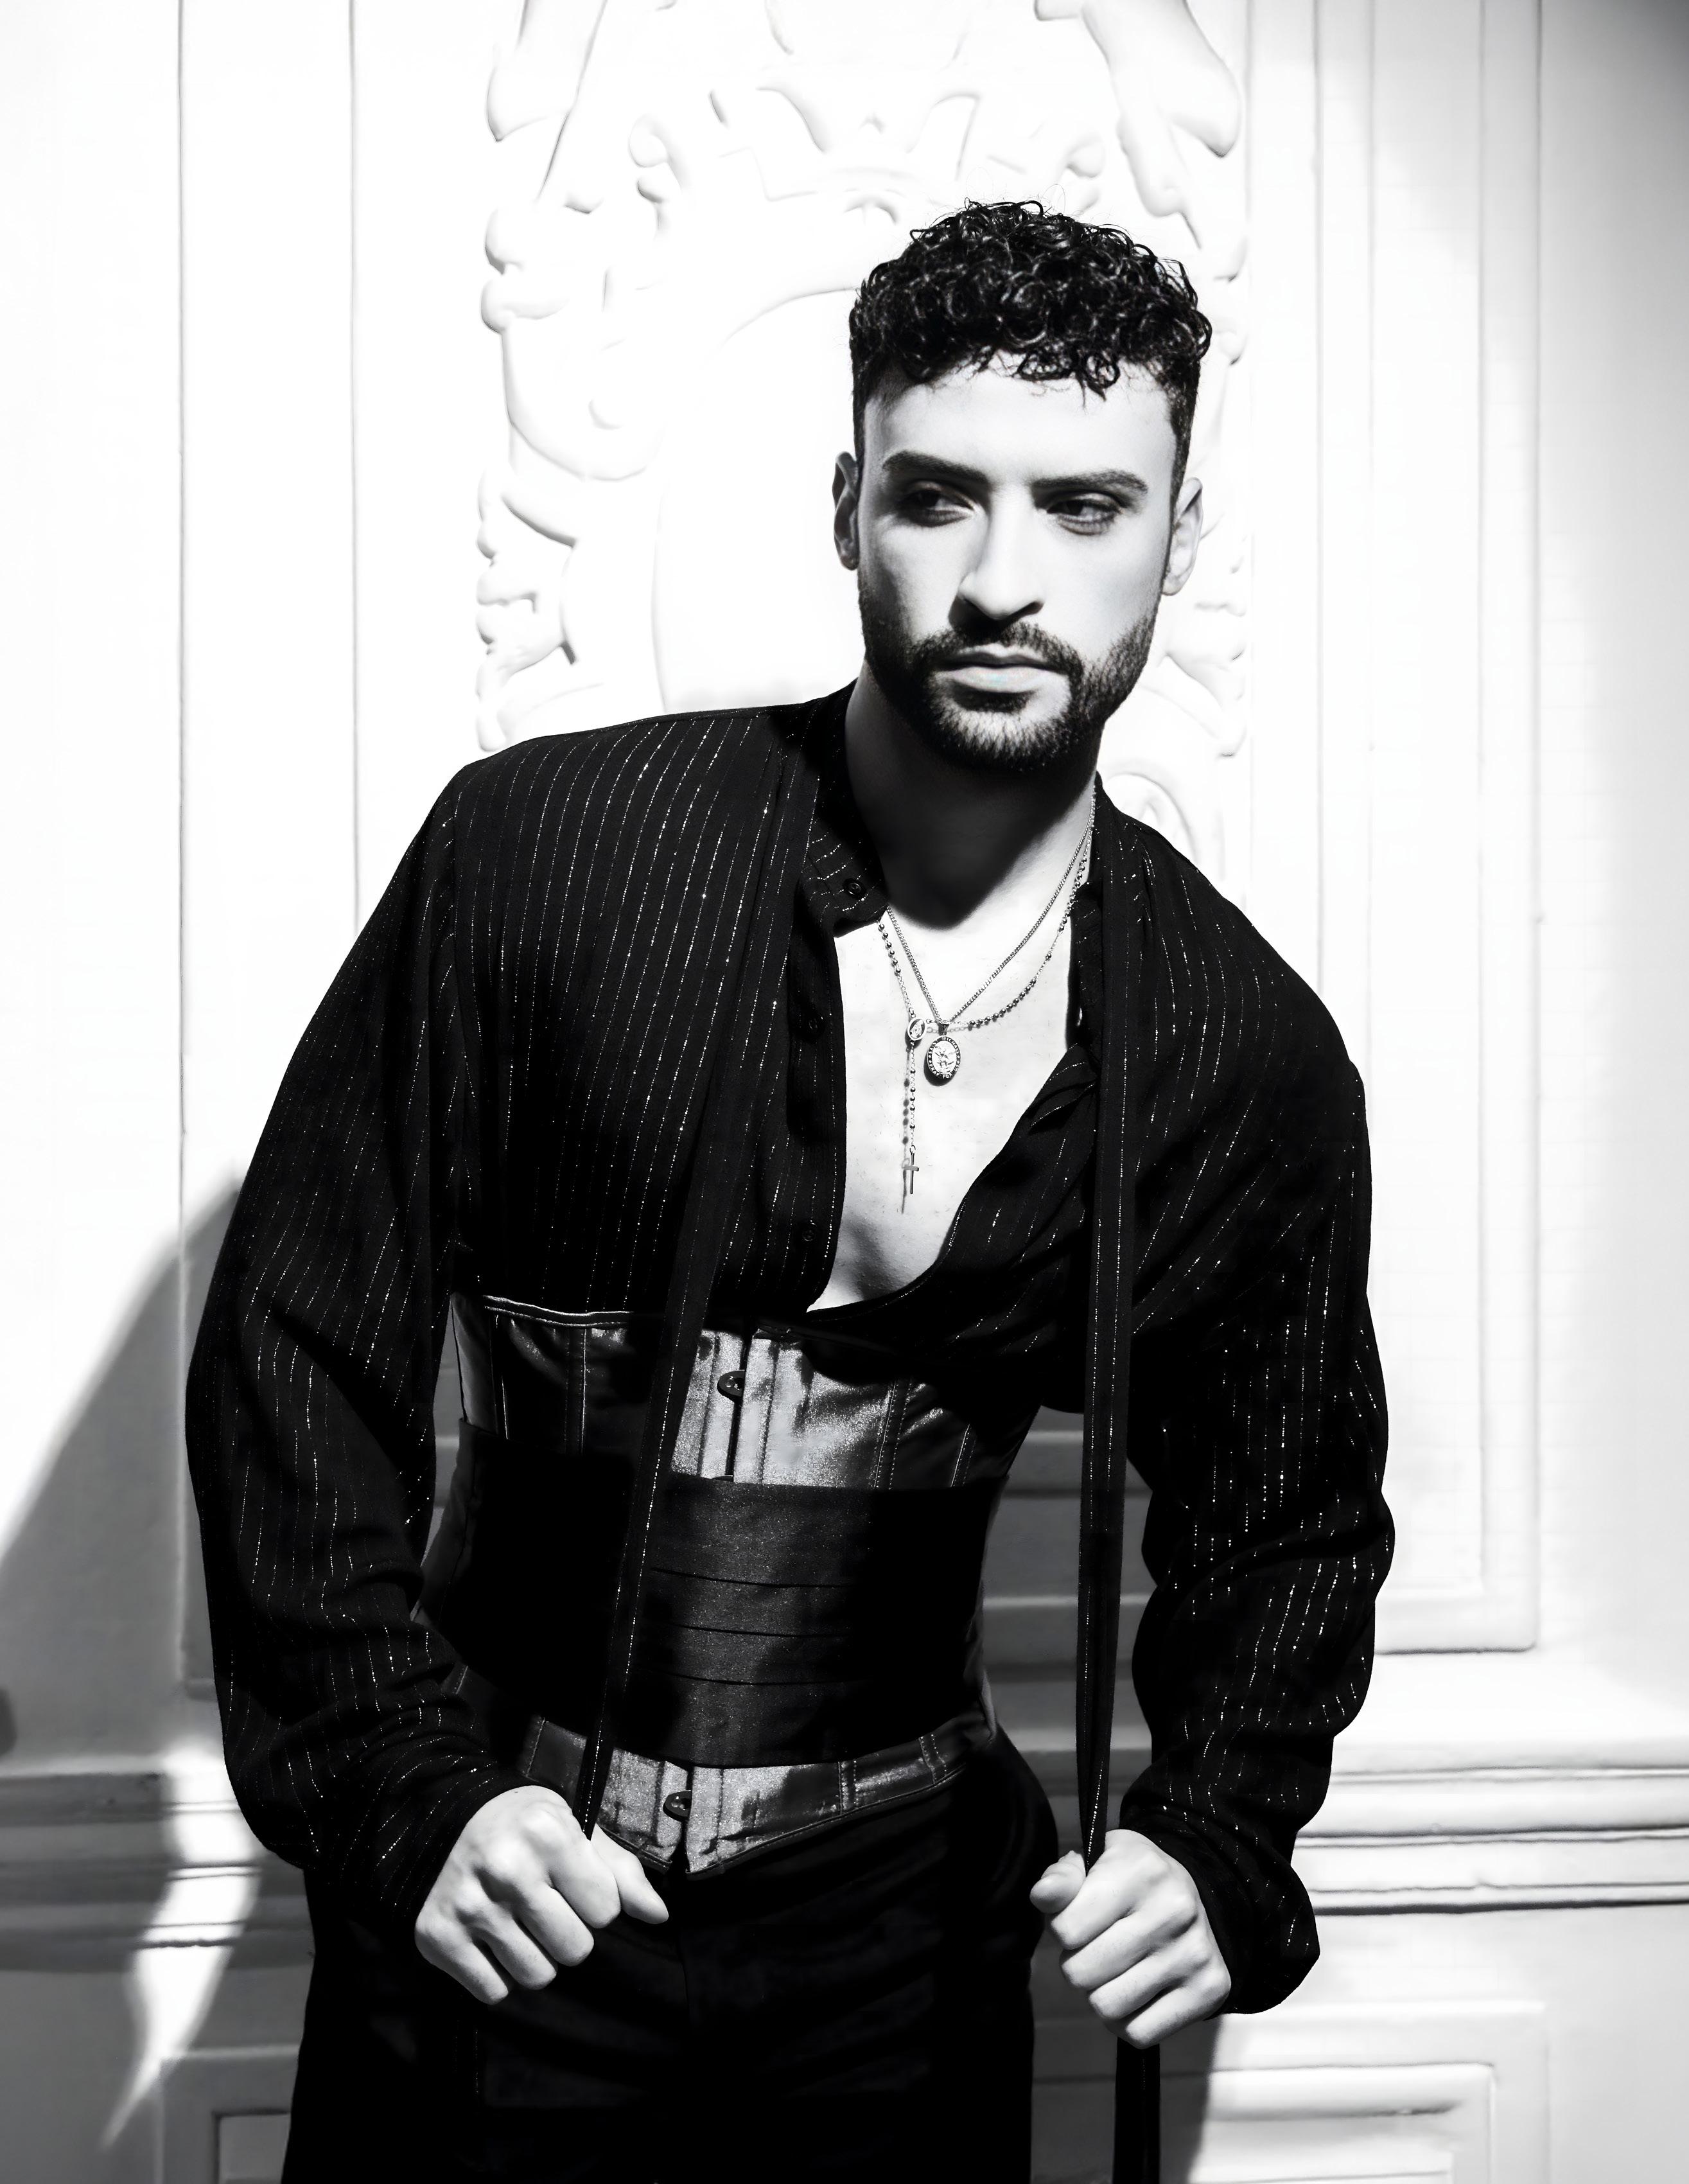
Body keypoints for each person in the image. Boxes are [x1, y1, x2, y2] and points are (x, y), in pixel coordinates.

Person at [186, 200, 1392, 2183]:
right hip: (504, 1892)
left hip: (902, 1958)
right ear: (850, 509)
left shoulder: (1234, 1049)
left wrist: (1220, 1835)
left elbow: (1292, 1519)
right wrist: (399, 1783)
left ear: (1179, 538)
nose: (1003, 579)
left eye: (1084, 506)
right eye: (940, 496)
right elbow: (300, 1341)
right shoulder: (553, 856)